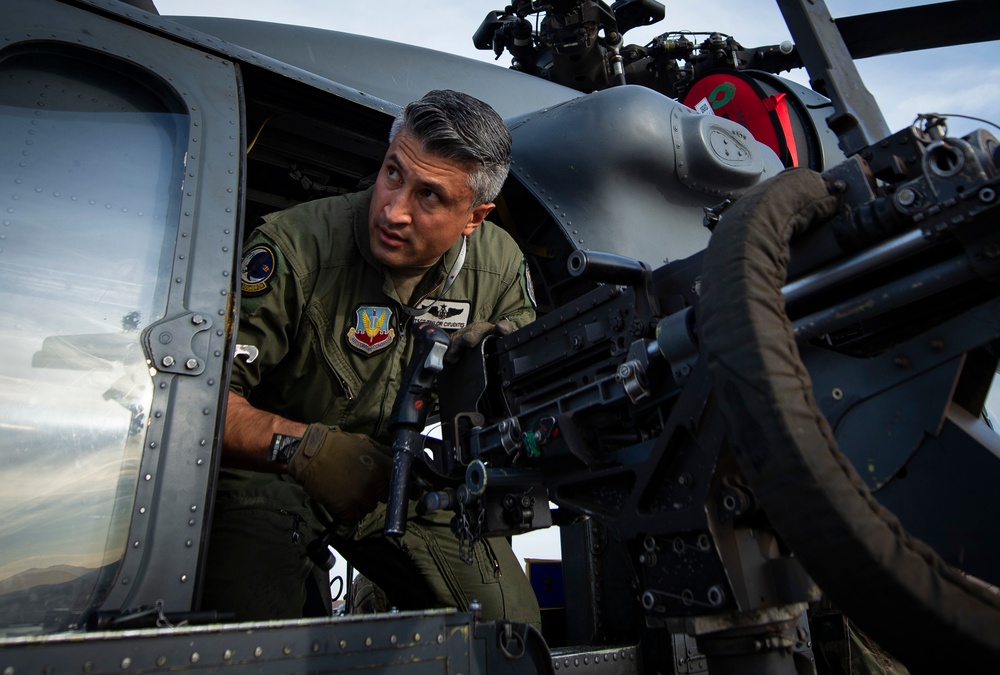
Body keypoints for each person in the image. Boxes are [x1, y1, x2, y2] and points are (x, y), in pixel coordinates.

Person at [202, 89, 541, 627]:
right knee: (249, 638)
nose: (393, 209)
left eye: (429, 196)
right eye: (392, 174)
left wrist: (493, 359)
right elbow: (197, 401)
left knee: (508, 629)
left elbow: (531, 379)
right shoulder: (293, 247)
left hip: (398, 472)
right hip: (273, 469)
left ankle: (376, 598)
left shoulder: (497, 267)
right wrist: (304, 449)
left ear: (475, 217)